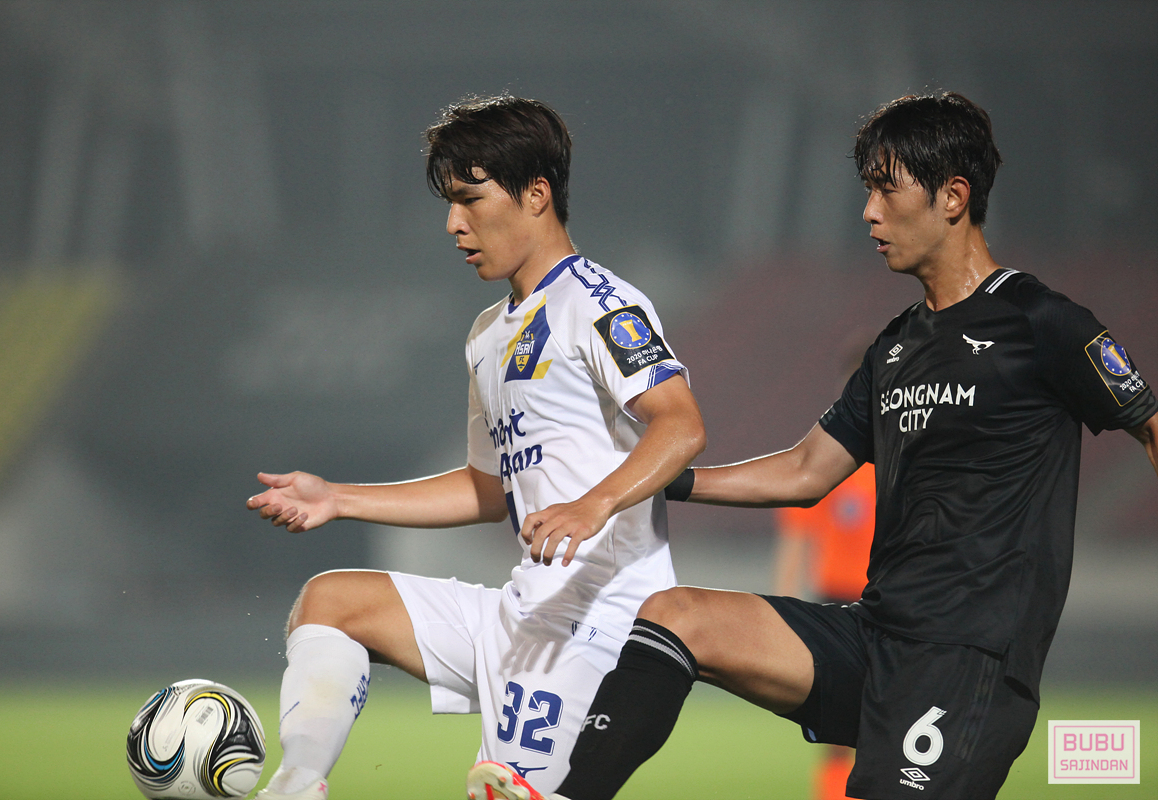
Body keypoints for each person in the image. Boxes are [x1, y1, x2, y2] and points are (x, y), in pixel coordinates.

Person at [467, 91, 1158, 800]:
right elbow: (805, 470)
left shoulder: (1041, 321)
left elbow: (1150, 424)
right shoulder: (894, 347)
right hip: (876, 635)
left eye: (887, 190)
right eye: (868, 191)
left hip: (966, 661)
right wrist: (666, 481)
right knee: (676, 616)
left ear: (953, 197)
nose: (869, 212)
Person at [243, 95, 705, 799]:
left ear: (536, 195)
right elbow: (488, 489)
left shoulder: (600, 303)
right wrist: (338, 498)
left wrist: (592, 504)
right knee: (330, 599)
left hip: (595, 627)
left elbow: (681, 424)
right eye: (450, 203)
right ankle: (296, 785)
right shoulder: (489, 332)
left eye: (470, 198)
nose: (454, 223)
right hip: (522, 610)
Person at [774, 460, 875, 800]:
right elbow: (796, 536)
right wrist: (784, 610)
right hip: (837, 604)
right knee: (840, 716)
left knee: (891, 710)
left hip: (887, 599)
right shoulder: (831, 466)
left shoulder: (895, 466)